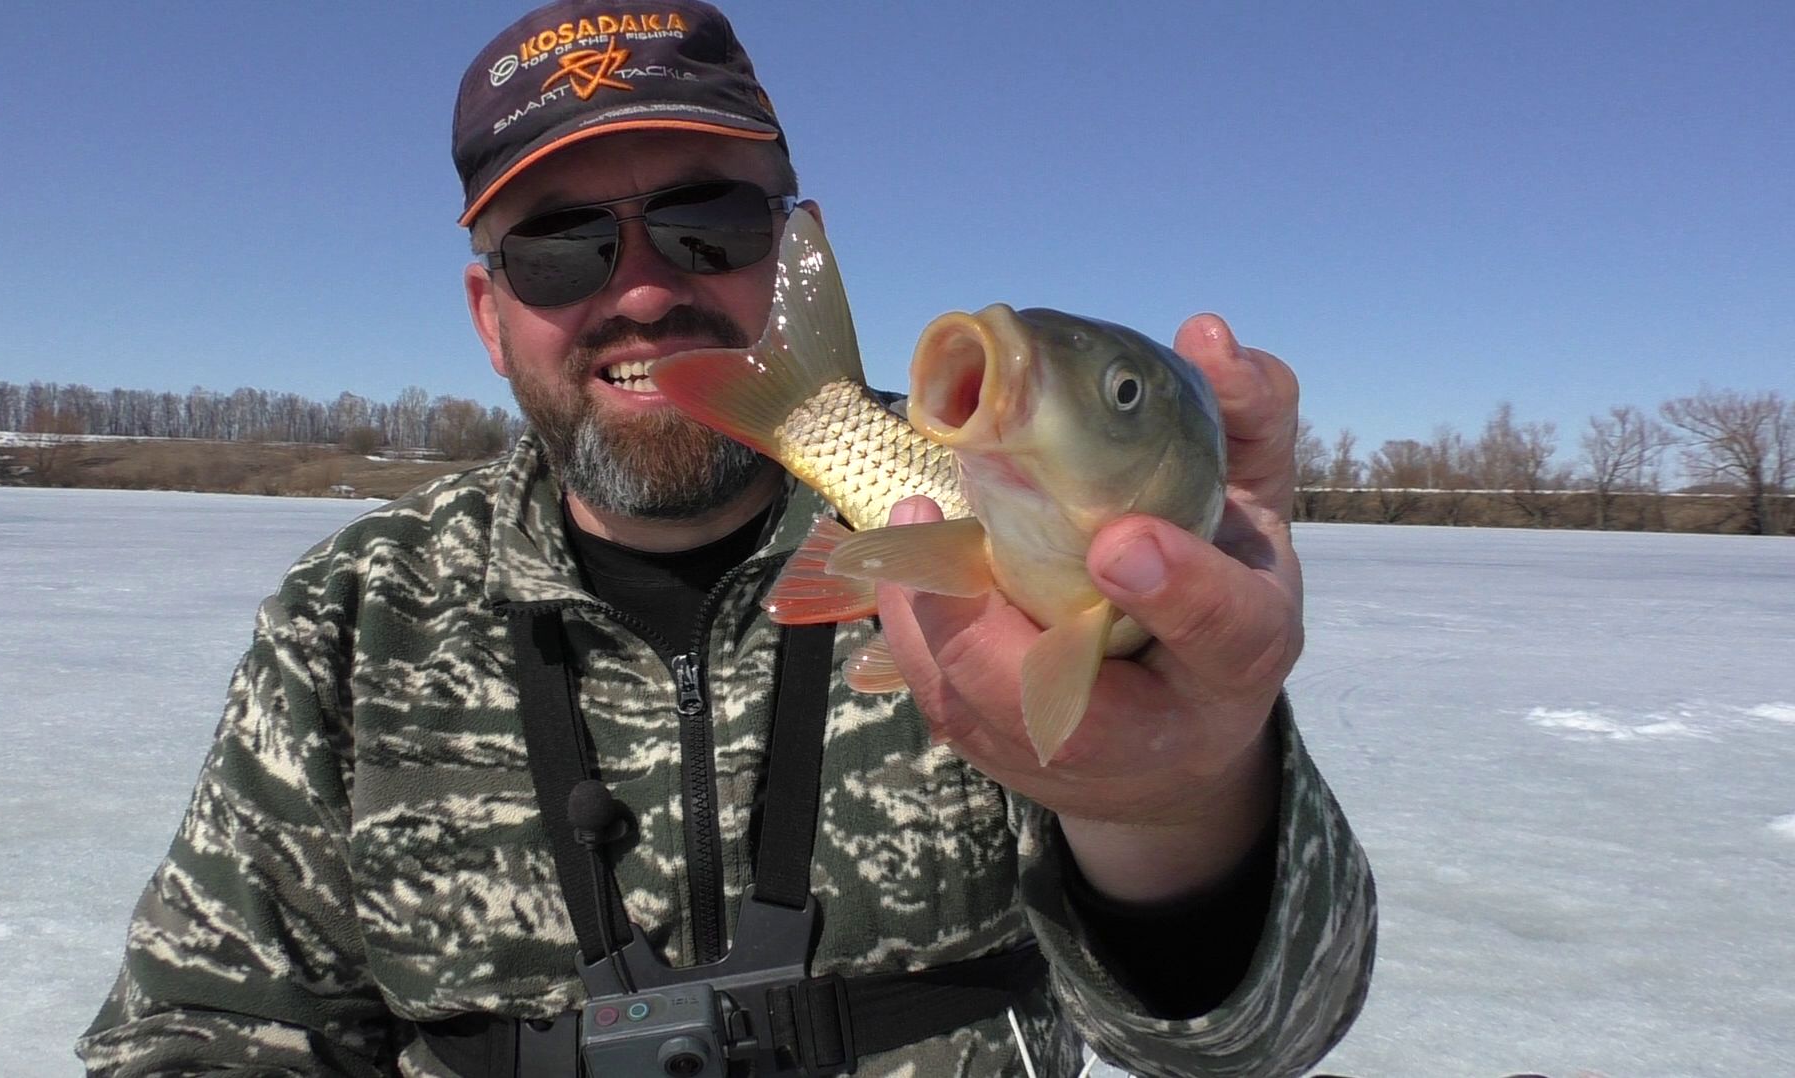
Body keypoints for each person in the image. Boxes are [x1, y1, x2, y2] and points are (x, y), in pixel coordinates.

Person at [78, 2, 1375, 1075]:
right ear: (489, 311)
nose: (642, 288)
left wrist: (1175, 796)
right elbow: (195, 1029)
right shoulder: (352, 623)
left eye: (711, 223)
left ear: (794, 246)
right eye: (559, 249)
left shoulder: (1006, 510)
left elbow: (1256, 1031)